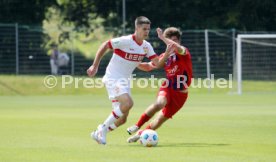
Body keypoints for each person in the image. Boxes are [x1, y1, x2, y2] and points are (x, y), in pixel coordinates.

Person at [87, 16, 175, 145]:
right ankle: (102, 128)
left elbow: (157, 64)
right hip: (113, 77)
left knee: (122, 119)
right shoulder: (125, 41)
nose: (146, 32)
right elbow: (105, 45)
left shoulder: (146, 46)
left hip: (125, 81)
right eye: (144, 29)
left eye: (148, 29)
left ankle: (99, 133)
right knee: (128, 103)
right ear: (137, 28)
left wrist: (166, 55)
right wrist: (95, 65)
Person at [126, 27, 193, 143]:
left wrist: (163, 38)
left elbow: (177, 48)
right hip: (168, 86)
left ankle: (140, 134)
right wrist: (133, 62)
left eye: (175, 40)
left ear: (179, 41)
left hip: (181, 95)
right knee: (159, 104)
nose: (173, 43)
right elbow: (148, 66)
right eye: (171, 40)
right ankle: (137, 125)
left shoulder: (184, 52)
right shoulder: (164, 56)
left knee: (160, 119)